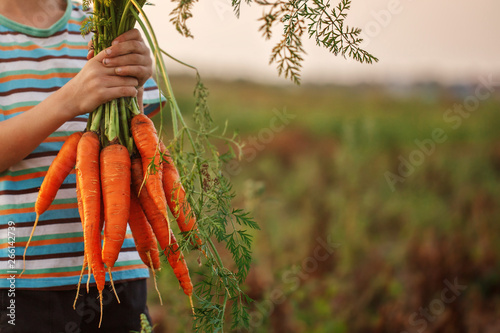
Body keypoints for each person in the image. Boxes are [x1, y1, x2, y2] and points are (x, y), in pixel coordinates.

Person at [0, 0, 163, 331]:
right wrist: (70, 99)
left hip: (120, 272)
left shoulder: (101, 25)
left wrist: (137, 78)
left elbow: (137, 138)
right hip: (20, 281)